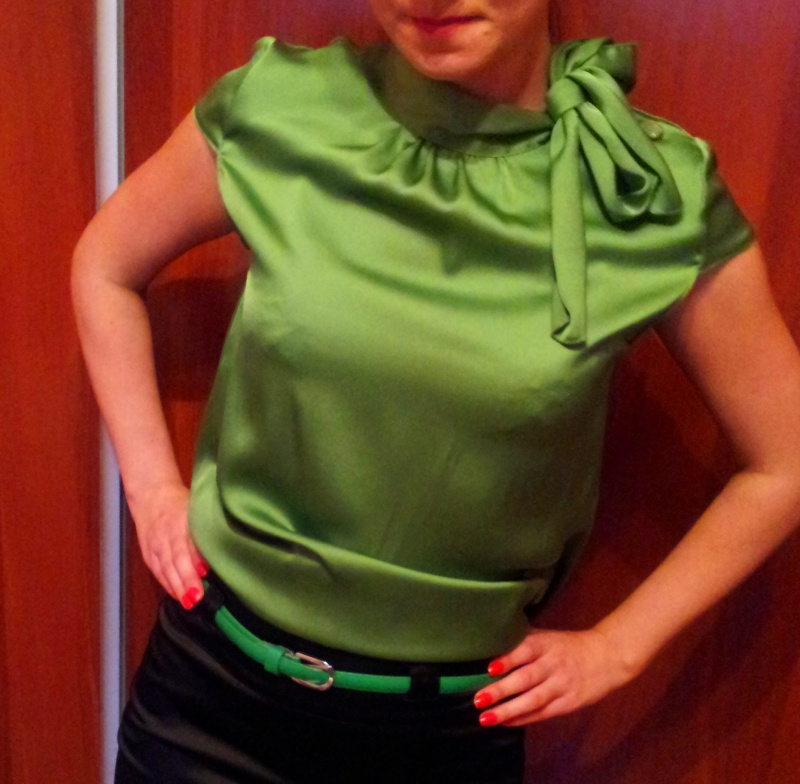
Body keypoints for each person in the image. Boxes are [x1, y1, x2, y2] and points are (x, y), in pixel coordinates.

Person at [72, 1, 800, 782]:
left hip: (444, 739)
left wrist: (618, 648)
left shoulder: (643, 187)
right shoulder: (279, 107)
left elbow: (784, 459)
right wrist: (152, 490)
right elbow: (106, 266)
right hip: (204, 706)